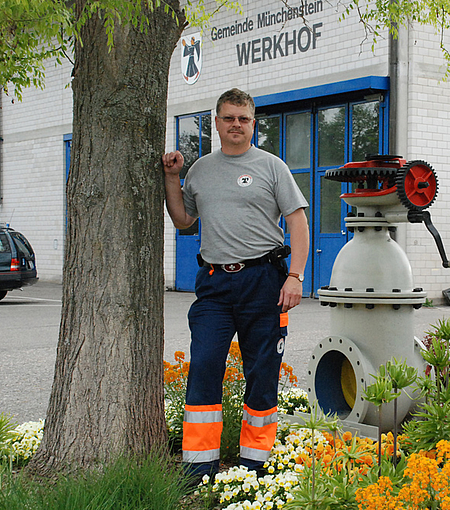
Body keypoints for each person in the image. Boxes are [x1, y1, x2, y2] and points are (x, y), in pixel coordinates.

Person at [162, 88, 309, 484]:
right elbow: (182, 220)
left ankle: (255, 463)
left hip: (264, 280)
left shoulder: (272, 167)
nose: (236, 125)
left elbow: (298, 223)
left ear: (253, 123)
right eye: (228, 118)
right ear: (217, 122)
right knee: (205, 365)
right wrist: (172, 177)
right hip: (214, 284)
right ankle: (198, 466)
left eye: (243, 119)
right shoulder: (201, 170)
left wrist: (295, 276)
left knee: (261, 372)